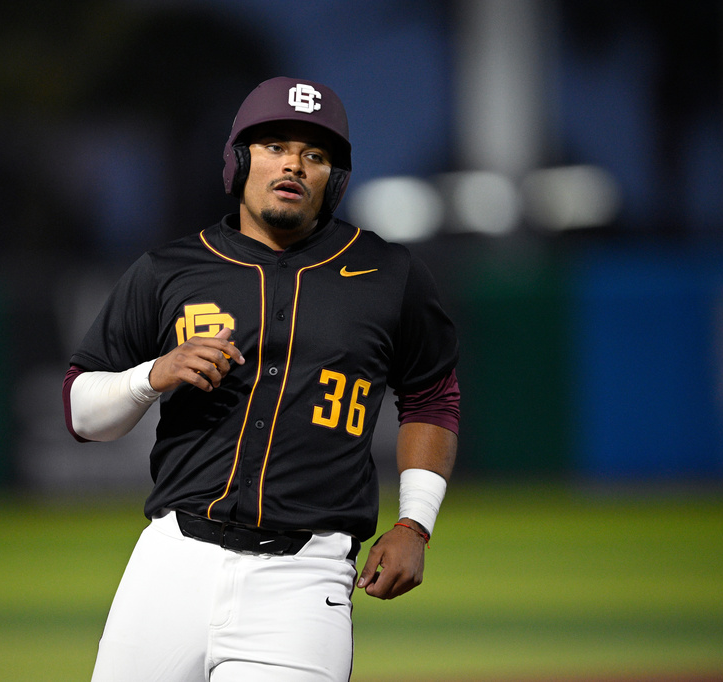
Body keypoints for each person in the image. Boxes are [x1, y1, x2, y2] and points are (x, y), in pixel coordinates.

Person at [63, 76, 460, 682]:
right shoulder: (168, 269)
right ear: (240, 159)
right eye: (274, 145)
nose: (294, 164)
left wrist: (415, 525)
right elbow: (81, 413)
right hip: (171, 564)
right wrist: (152, 374)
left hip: (303, 580)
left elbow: (431, 397)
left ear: (336, 178)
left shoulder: (389, 274)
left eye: (316, 154)